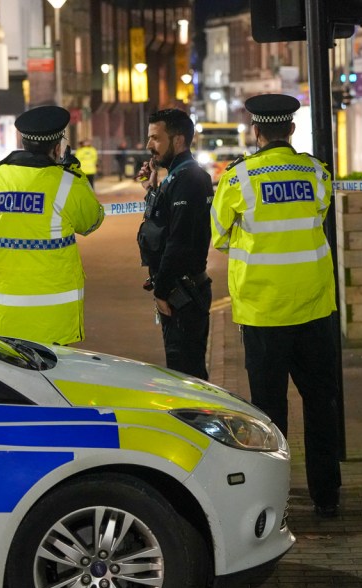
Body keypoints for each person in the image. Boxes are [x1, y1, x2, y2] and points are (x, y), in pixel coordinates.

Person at [209, 93, 341, 518]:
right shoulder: (317, 174)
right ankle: (327, 496)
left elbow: (220, 235)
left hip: (264, 313)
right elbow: (317, 217)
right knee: (321, 404)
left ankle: (275, 500)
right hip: (315, 310)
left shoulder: (239, 178)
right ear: (292, 130)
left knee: (269, 414)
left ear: (256, 131)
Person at [0, 105, 104, 346]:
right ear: (57, 147)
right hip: (53, 326)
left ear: (23, 141)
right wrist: (76, 172)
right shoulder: (66, 184)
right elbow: (92, 221)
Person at [137, 108, 214, 379]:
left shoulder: (190, 179)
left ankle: (196, 421)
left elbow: (179, 242)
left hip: (183, 294)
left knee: (187, 377)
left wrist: (162, 290)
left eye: (156, 138)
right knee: (183, 371)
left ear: (178, 140)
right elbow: (162, 226)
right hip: (179, 291)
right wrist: (153, 190)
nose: (149, 146)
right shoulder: (177, 177)